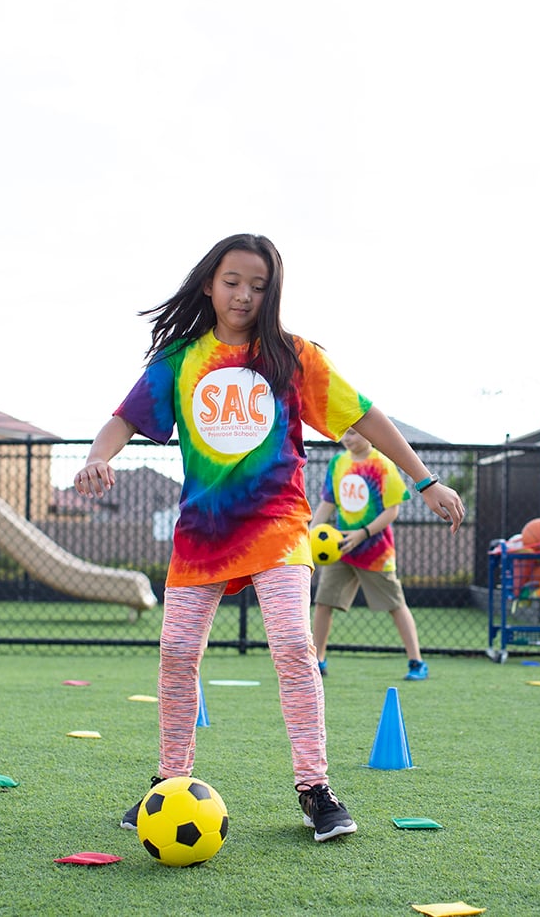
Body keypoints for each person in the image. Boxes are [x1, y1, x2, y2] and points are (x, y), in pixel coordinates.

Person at [73, 234, 465, 843]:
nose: (244, 295)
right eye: (232, 281)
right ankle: (168, 782)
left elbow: (363, 413)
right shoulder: (180, 359)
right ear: (209, 282)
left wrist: (425, 481)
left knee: (291, 645)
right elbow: (125, 417)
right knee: (177, 655)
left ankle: (315, 790)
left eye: (258, 286)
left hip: (279, 527)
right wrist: (99, 456)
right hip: (203, 533)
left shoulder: (290, 356)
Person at [311, 427, 428, 681]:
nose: (348, 438)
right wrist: (310, 531)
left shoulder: (382, 464)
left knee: (396, 604)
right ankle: (317, 661)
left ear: (368, 433)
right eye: (344, 434)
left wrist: (362, 533)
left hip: (375, 551)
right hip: (340, 548)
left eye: (354, 432)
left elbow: (392, 511)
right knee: (323, 603)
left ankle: (417, 662)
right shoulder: (337, 463)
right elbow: (328, 503)